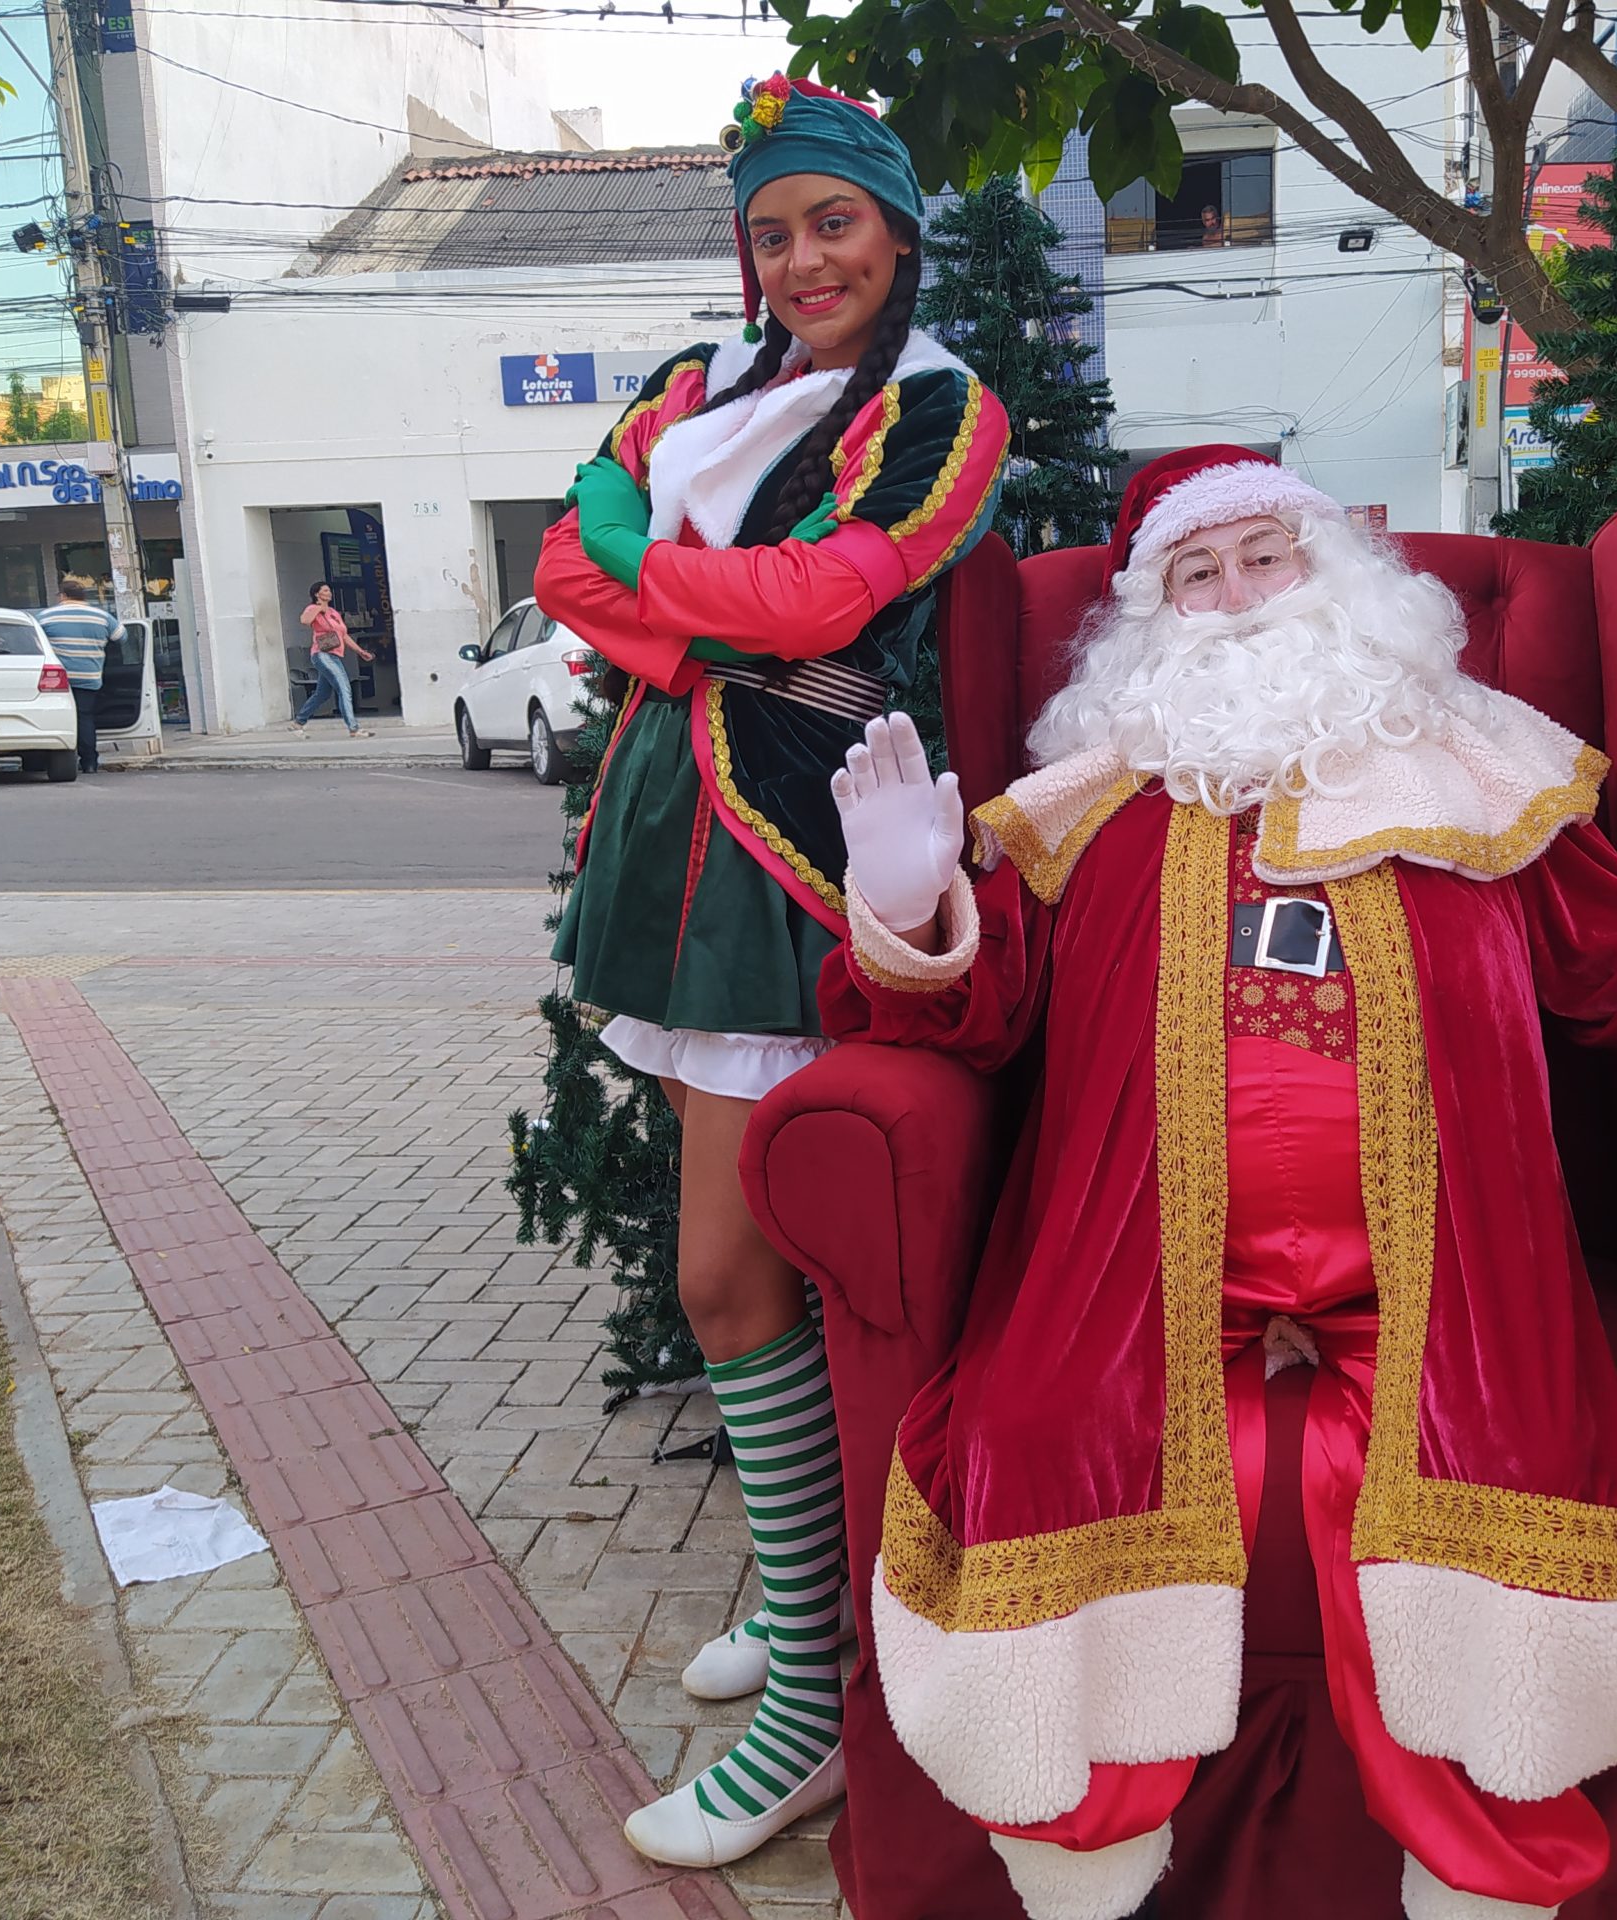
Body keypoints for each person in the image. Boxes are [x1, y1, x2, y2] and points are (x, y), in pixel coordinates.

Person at [822, 448, 1617, 1920]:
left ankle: (1487, 1872)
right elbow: (973, 1012)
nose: (1234, 597)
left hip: (1449, 1267)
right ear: (1149, 621)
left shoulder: (1478, 773)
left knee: (1506, 1454)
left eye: (1262, 557)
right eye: (1193, 576)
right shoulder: (1090, 807)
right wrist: (908, 906)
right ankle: (1077, 1855)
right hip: (1127, 1266)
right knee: (1042, 1437)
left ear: (1340, 575)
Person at [533, 72, 1010, 1872]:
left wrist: (663, 575)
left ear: (894, 231)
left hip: (801, 847)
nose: (806, 258)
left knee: (733, 1273)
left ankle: (816, 1692)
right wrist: (672, 583)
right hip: (668, 833)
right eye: (776, 230)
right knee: (747, 1259)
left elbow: (834, 603)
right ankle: (797, 1587)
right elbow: (572, 570)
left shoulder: (943, 403)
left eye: (836, 222)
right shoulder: (692, 386)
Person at [39, 579, 116, 772]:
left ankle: (57, 759)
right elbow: (121, 637)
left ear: (63, 596)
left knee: (55, 718)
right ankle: (89, 762)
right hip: (89, 677)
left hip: (57, 679)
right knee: (84, 718)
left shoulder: (46, 616)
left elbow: (34, 639)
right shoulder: (102, 616)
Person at [291, 582, 374, 736]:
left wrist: (360, 651)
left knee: (322, 694)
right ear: (317, 594)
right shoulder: (313, 609)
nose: (329, 592)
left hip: (334, 655)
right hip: (322, 655)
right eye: (325, 590)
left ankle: (298, 722)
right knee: (344, 687)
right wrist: (318, 608)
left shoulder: (334, 613)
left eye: (329, 590)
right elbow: (304, 620)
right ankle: (353, 728)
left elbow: (343, 635)